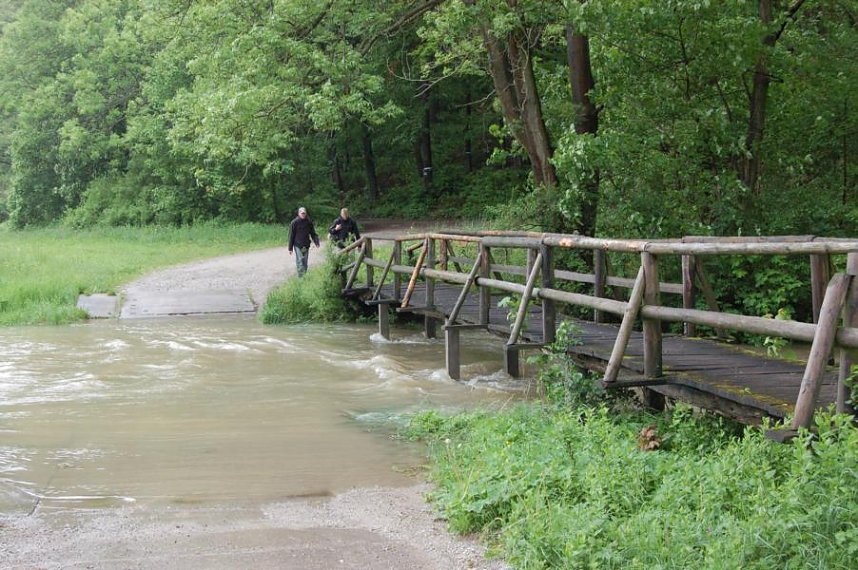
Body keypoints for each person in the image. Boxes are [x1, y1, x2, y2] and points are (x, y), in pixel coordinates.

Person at [288, 206, 320, 277]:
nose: (303, 214)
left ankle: (304, 276)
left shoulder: (309, 222)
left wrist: (316, 242)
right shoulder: (294, 222)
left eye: (304, 213)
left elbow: (313, 233)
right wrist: (290, 248)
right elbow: (291, 235)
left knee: (305, 262)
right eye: (302, 213)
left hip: (306, 245)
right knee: (300, 260)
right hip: (297, 245)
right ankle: (300, 277)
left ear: (306, 213)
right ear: (299, 213)